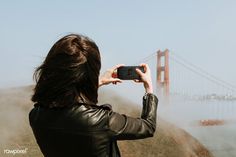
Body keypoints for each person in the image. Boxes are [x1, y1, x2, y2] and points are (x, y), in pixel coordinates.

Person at [29, 34, 158, 157]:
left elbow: (65, 101)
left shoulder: (36, 115)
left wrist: (99, 82)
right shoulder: (101, 120)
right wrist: (149, 88)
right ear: (91, 74)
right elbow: (148, 126)